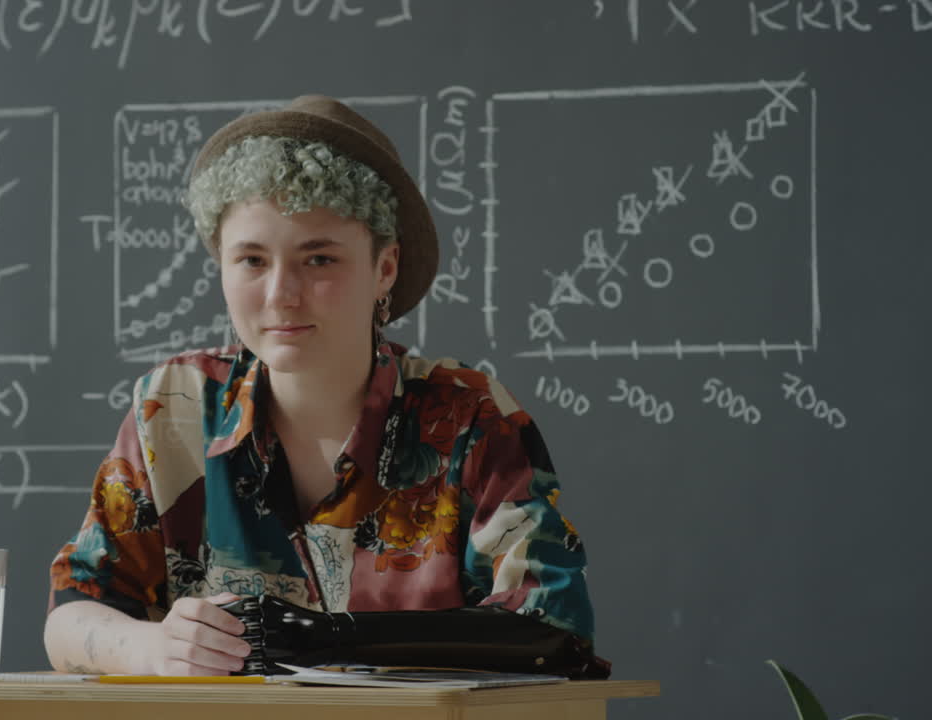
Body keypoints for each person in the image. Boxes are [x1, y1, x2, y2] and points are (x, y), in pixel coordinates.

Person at [44, 95, 601, 677]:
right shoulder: (174, 406)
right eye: (252, 260)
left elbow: (554, 631)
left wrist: (328, 642)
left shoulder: (466, 415)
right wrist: (150, 648)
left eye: (319, 260)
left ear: (384, 267)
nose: (281, 294)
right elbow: (72, 613)